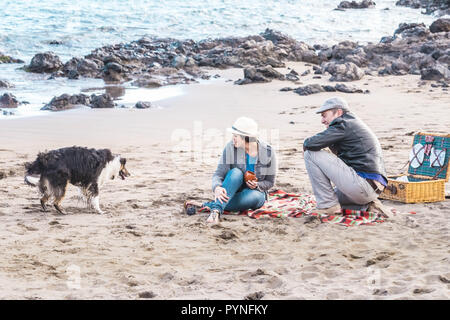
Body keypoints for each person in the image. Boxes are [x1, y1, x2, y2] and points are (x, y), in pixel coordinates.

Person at [303, 97, 389, 216]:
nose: (322, 120)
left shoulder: (343, 124)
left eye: (324, 115)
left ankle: (328, 206)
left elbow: (309, 144)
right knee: (332, 195)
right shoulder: (352, 123)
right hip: (372, 189)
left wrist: (307, 147)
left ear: (338, 112)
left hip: (362, 185)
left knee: (310, 154)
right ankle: (369, 205)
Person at [186, 117, 277, 224]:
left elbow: (270, 182)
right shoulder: (230, 147)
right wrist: (217, 187)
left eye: (235, 136)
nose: (233, 138)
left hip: (256, 193)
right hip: (233, 189)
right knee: (236, 172)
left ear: (246, 137)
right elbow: (219, 173)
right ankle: (216, 211)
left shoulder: (268, 152)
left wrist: (257, 185)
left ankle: (207, 205)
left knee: (254, 196)